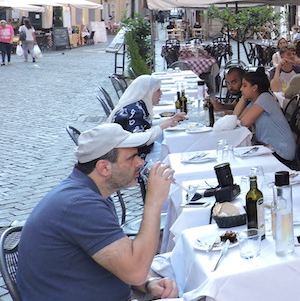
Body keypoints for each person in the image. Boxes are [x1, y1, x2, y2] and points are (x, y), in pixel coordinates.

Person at [17, 124, 179, 300]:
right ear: (104, 168)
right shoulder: (81, 205)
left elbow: (119, 258)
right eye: (131, 157)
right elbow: (136, 271)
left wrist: (148, 283)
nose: (140, 162)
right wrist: (154, 201)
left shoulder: (90, 194)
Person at [108, 75, 186, 166]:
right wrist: (163, 126)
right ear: (148, 92)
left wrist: (170, 120)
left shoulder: (137, 106)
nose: (161, 93)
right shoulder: (135, 111)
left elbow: (146, 123)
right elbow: (139, 139)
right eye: (158, 90)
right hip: (131, 160)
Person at [233, 67, 297, 162]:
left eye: (244, 86)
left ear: (254, 87)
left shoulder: (265, 98)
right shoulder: (255, 102)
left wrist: (244, 97)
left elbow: (244, 123)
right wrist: (243, 97)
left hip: (281, 151)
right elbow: (236, 118)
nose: (241, 89)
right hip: (270, 147)